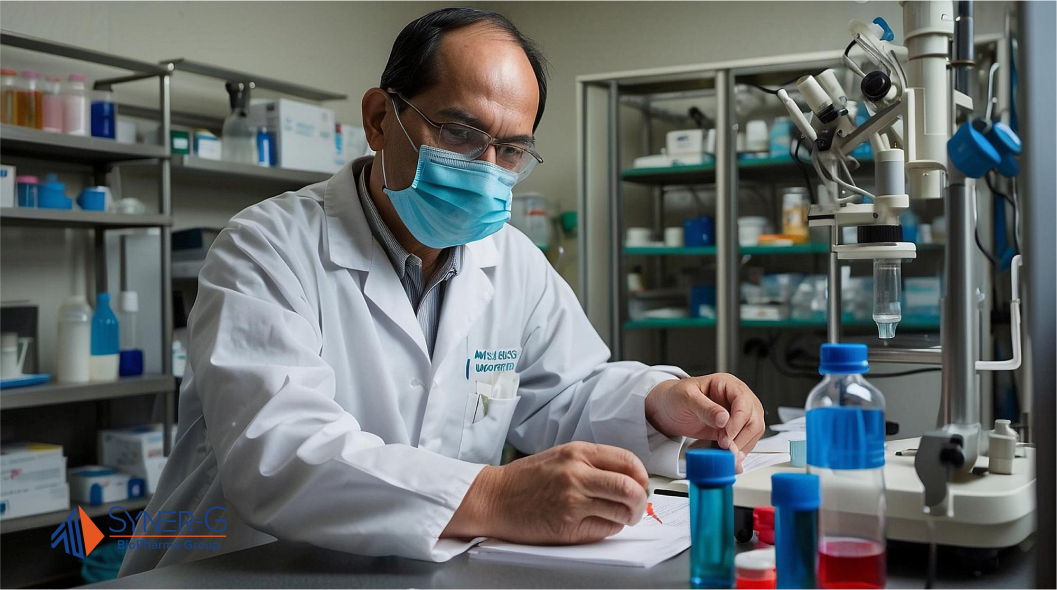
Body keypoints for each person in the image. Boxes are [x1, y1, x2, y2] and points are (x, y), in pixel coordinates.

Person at [119, 7, 764, 576]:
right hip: (243, 565)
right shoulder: (266, 246)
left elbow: (566, 391)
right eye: (459, 133)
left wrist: (660, 402)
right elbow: (279, 452)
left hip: (418, 569)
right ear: (379, 119)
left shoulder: (512, 260)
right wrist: (497, 497)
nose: (485, 170)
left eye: (510, 150)